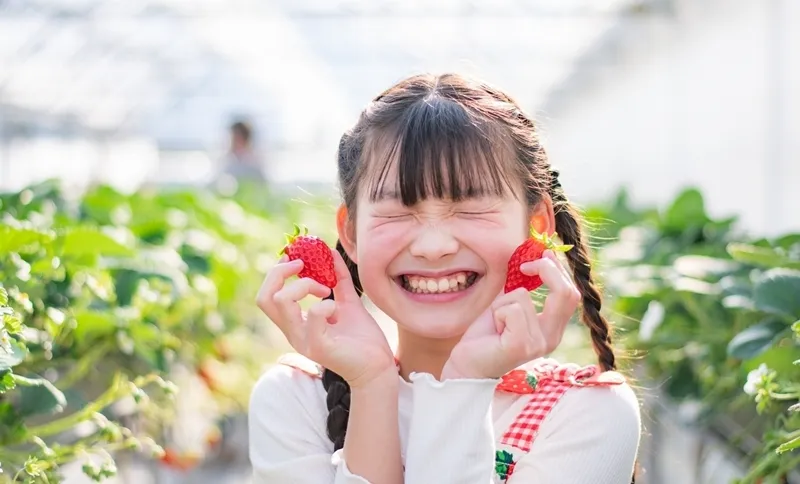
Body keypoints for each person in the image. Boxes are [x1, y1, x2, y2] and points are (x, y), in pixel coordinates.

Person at [249, 73, 641, 483]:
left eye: (470, 208)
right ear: (351, 234)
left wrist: (466, 380)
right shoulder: (294, 399)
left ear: (535, 226)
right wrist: (371, 384)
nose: (433, 246)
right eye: (398, 210)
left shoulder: (588, 411)